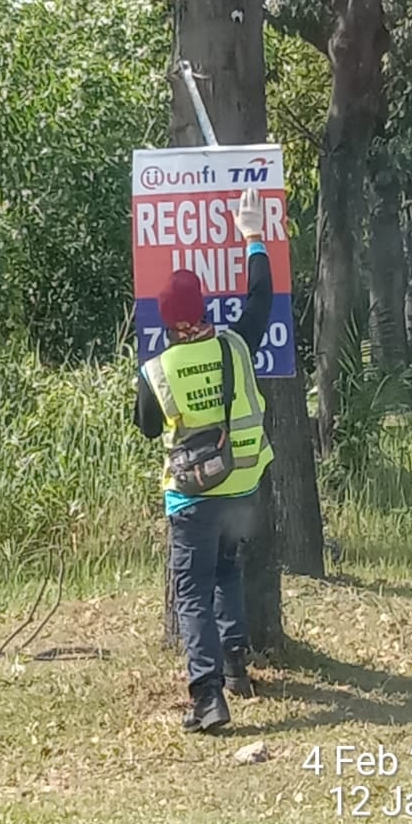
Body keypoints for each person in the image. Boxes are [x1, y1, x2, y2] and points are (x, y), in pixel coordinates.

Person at [134, 187, 273, 733]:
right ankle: (236, 662)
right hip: (241, 488)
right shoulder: (236, 346)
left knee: (190, 590)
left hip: (190, 497)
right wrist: (253, 235)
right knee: (226, 569)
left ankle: (208, 697)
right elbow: (260, 298)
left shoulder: (158, 369)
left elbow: (147, 427)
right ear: (206, 310)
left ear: (167, 320)